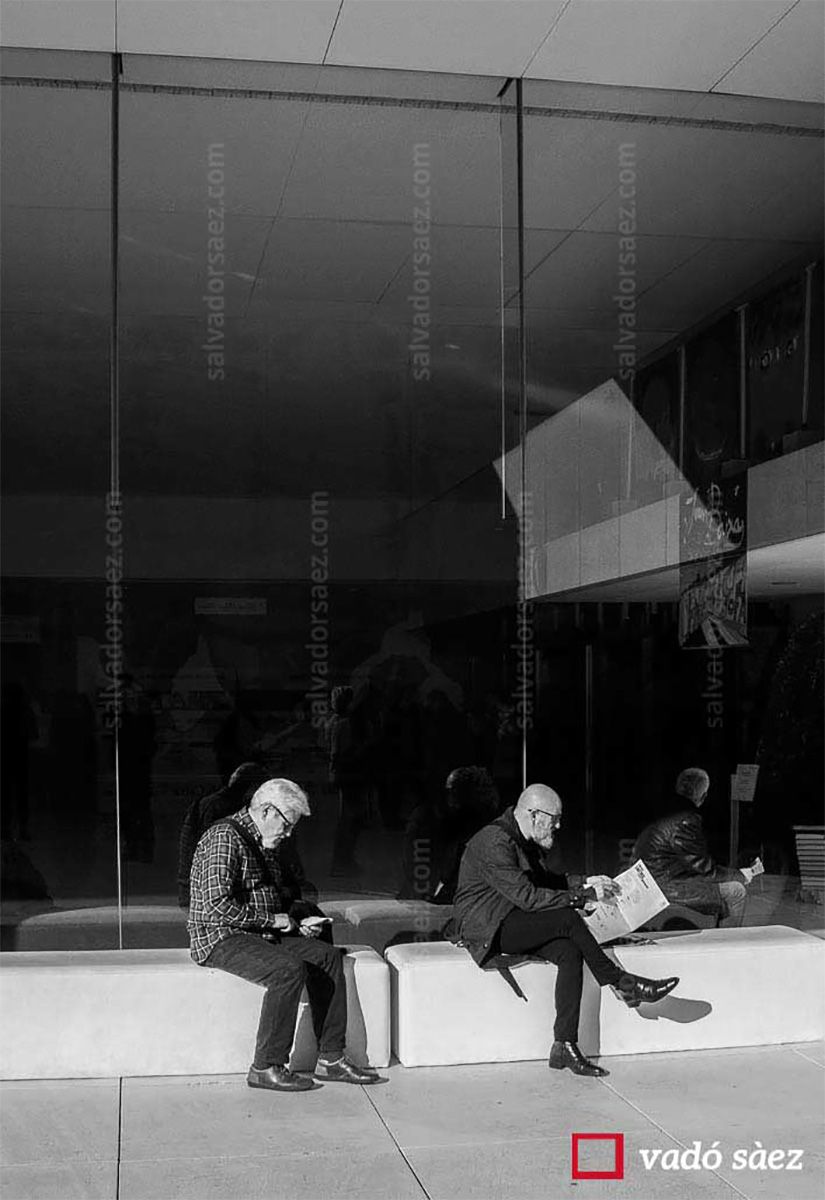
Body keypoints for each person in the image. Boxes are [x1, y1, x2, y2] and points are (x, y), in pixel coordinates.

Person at [449, 783, 680, 1077]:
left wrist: (586, 882)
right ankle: (622, 982)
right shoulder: (494, 842)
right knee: (567, 919)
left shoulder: (520, 839)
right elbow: (529, 897)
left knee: (569, 951)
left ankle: (564, 1046)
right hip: (486, 929)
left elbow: (545, 881)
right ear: (534, 814)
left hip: (509, 918)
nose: (558, 825)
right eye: (555, 818)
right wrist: (583, 897)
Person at [188, 778, 380, 1092]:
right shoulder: (223, 838)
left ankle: (331, 1058)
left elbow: (271, 898)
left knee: (328, 957)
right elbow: (216, 905)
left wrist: (296, 922)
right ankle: (266, 1066)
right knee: (287, 970)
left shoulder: (263, 842)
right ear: (267, 811)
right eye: (287, 824)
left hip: (259, 933)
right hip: (220, 937)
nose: (288, 833)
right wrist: (274, 921)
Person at [632, 767, 760, 926]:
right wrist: (740, 875)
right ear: (703, 796)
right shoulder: (685, 820)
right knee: (736, 890)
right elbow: (704, 870)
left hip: (651, 881)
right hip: (667, 887)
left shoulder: (663, 810)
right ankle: (728, 939)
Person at [397, 766, 501, 903]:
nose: (451, 797)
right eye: (450, 791)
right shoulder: (429, 820)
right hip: (426, 900)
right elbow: (419, 869)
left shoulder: (472, 828)